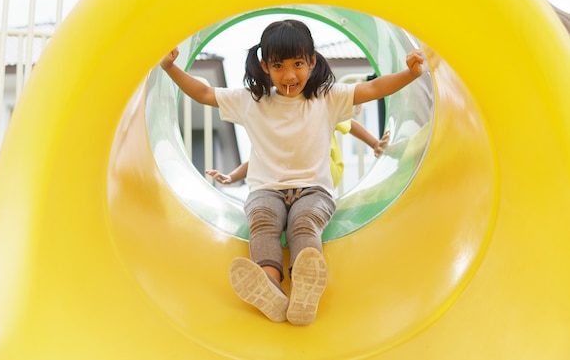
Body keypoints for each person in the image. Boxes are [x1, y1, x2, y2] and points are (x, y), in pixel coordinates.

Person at [160, 19, 424, 325]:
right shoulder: (251, 101)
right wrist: (170, 68)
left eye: (298, 63)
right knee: (262, 220)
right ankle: (270, 285)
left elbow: (374, 87)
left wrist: (410, 73)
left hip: (314, 190)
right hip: (266, 190)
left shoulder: (327, 98)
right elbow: (205, 93)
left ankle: (304, 286)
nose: (289, 75)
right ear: (264, 67)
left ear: (312, 62)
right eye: (278, 65)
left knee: (303, 221)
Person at [205, 119, 390, 187]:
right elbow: (257, 160)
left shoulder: (318, 109)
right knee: (274, 163)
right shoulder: (277, 126)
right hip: (292, 177)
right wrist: (231, 177)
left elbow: (350, 124)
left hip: (326, 169)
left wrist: (374, 143)